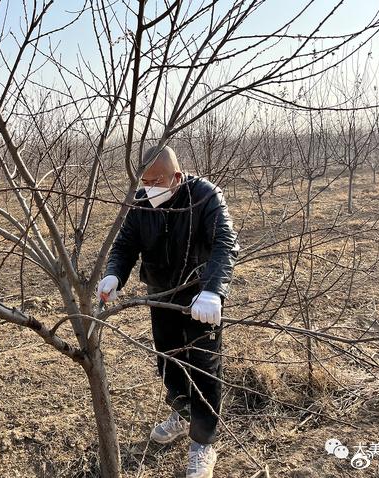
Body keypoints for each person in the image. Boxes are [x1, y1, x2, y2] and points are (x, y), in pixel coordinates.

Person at [97, 145, 240, 478]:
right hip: (161, 294)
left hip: (199, 298)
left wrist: (213, 290)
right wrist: (114, 273)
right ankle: (181, 413)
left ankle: (204, 442)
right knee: (169, 357)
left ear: (176, 177)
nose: (149, 189)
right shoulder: (141, 202)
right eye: (143, 181)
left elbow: (225, 242)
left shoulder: (205, 196)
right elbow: (125, 244)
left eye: (155, 181)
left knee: (203, 365)